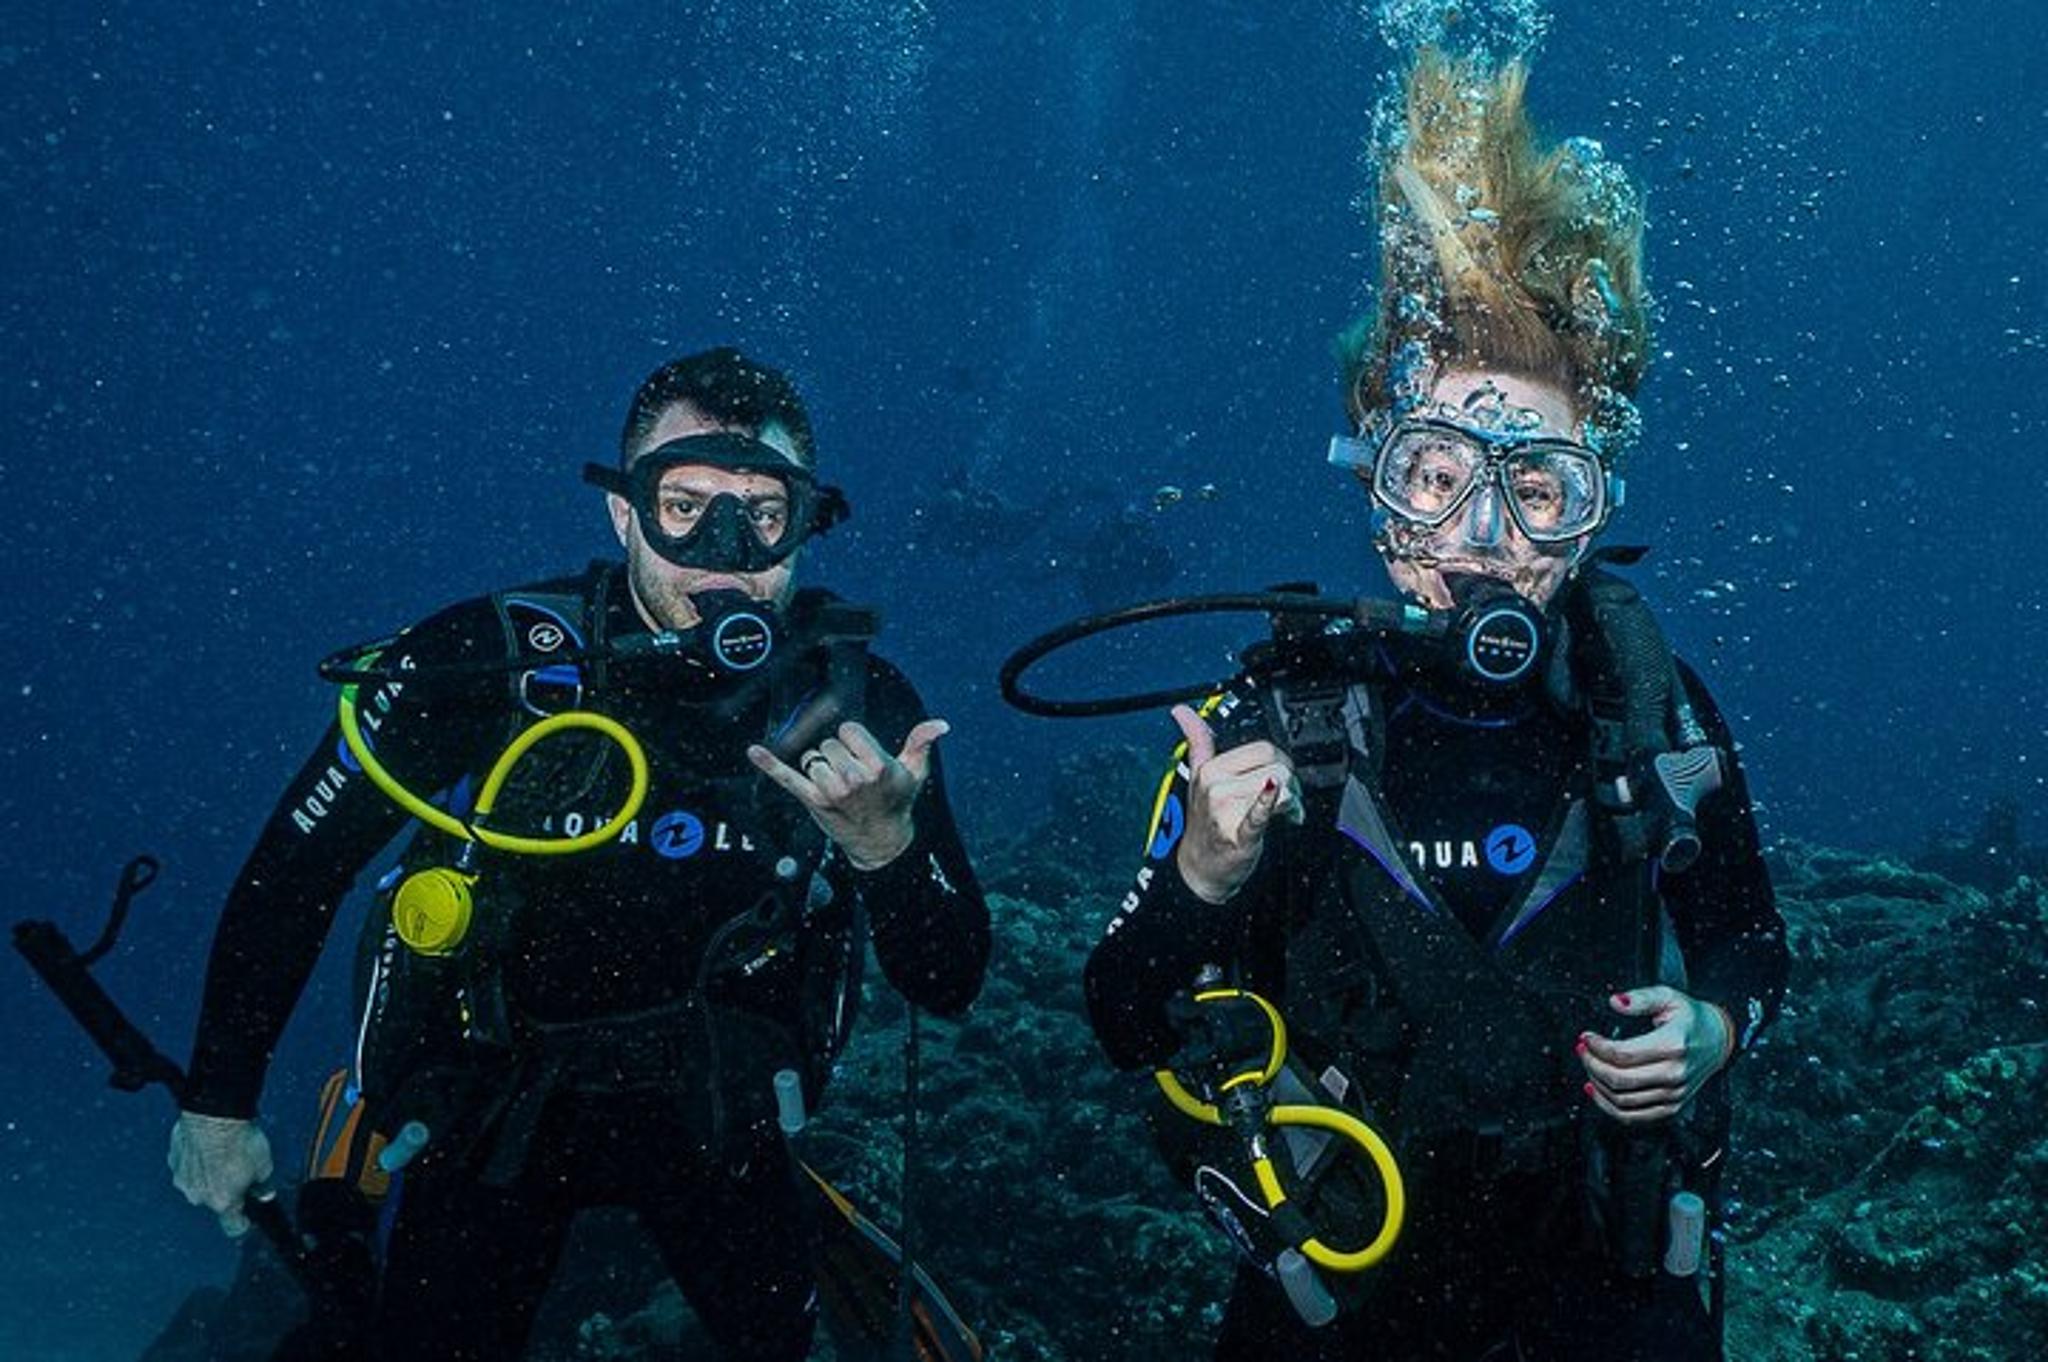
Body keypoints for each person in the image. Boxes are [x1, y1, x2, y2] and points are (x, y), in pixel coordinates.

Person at [1083, 50, 1787, 1362]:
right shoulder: (1274, 709)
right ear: (1374, 484)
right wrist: (1202, 871)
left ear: (1595, 511)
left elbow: (1752, 940)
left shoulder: (1651, 708)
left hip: (1599, 1257)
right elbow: (1123, 1013)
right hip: (1341, 1279)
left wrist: (1715, 1025)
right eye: (1435, 473)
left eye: (1541, 489)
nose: (1484, 535)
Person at [166, 346, 992, 1361]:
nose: (724, 549)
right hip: (493, 1105)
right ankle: (352, 1182)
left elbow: (947, 978)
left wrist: (883, 846)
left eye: (763, 513)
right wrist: (218, 1102)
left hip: (721, 1115)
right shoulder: (495, 662)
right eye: (684, 504)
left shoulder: (855, 708)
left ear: (805, 524)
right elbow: (296, 869)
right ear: (622, 512)